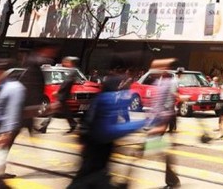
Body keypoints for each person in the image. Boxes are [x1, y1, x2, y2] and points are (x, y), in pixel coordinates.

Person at [69, 56, 144, 188]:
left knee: (89, 178)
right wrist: (138, 124)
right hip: (96, 145)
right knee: (88, 180)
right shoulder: (113, 88)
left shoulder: (113, 85)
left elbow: (118, 111)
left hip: (98, 145)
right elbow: (106, 128)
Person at [145, 59, 180, 188]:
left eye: (156, 67)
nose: (153, 70)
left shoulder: (169, 83)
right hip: (155, 120)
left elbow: (168, 105)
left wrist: (162, 125)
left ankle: (172, 180)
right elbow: (156, 104)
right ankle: (172, 179)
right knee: (158, 150)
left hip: (162, 120)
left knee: (159, 150)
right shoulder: (158, 82)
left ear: (164, 68)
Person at [39, 56, 80, 134]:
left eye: (67, 62)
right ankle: (72, 123)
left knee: (53, 110)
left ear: (71, 63)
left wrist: (58, 92)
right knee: (64, 111)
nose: (65, 63)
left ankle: (44, 126)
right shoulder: (71, 71)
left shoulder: (73, 71)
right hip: (63, 95)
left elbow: (66, 83)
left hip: (63, 95)